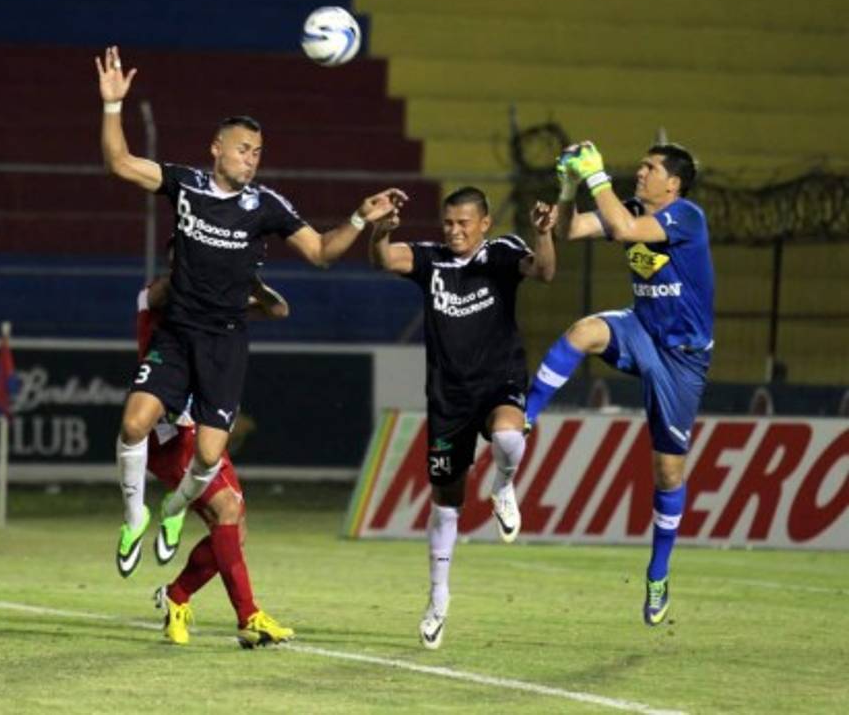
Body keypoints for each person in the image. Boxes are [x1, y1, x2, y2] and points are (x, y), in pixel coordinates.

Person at [96, 46, 406, 606]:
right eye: (243, 149)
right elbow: (119, 164)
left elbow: (320, 252)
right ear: (217, 149)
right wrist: (113, 106)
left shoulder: (267, 206)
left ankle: (171, 512)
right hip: (179, 334)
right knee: (134, 421)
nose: (251, 159)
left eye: (258, 152)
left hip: (225, 344)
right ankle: (135, 512)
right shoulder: (185, 184)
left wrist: (361, 217)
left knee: (209, 458)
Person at [523, 141, 712, 627]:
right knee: (583, 331)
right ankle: (521, 420)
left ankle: (658, 570)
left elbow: (626, 229)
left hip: (681, 359)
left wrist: (596, 173)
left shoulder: (686, 217)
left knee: (668, 473)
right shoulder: (628, 208)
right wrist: (567, 189)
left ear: (673, 183)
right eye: (642, 165)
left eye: (651, 168)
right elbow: (572, 228)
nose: (642, 173)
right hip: (640, 327)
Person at [370, 186, 557, 649]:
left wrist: (545, 233)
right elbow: (383, 260)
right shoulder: (430, 259)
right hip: (448, 398)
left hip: (499, 381)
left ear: (485, 223)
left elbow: (545, 271)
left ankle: (503, 485)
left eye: (464, 223)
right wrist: (381, 230)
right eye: (448, 222)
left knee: (509, 435)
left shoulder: (501, 253)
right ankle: (438, 600)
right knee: (446, 499)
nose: (454, 230)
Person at [138, 267, 294, 648]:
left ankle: (177, 597)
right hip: (171, 433)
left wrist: (251, 283)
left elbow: (279, 310)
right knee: (226, 510)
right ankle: (248, 616)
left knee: (235, 528)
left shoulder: (218, 303)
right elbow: (162, 292)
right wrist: (201, 265)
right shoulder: (156, 298)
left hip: (201, 429)